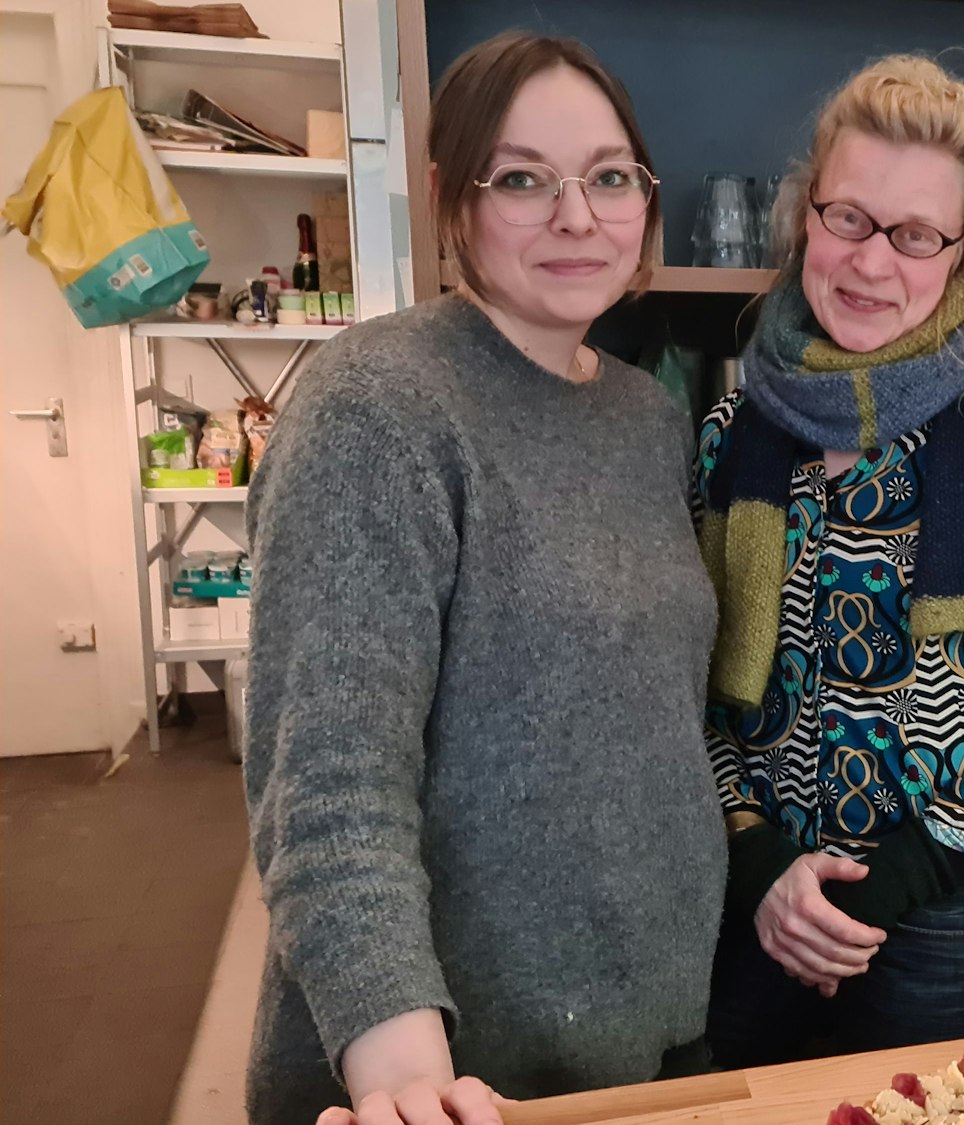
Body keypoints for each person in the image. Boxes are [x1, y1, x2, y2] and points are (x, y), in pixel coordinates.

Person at [243, 32, 723, 1125]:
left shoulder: (643, 412)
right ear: (447, 200)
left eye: (609, 177)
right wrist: (403, 1072)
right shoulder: (380, 405)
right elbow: (325, 784)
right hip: (455, 1077)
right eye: (521, 179)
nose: (576, 215)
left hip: (644, 1038)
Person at [695, 55, 964, 1066]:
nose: (871, 263)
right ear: (805, 215)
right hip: (760, 919)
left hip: (946, 924)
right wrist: (761, 863)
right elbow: (692, 695)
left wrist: (903, 873)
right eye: (846, 218)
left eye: (915, 234)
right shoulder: (732, 431)